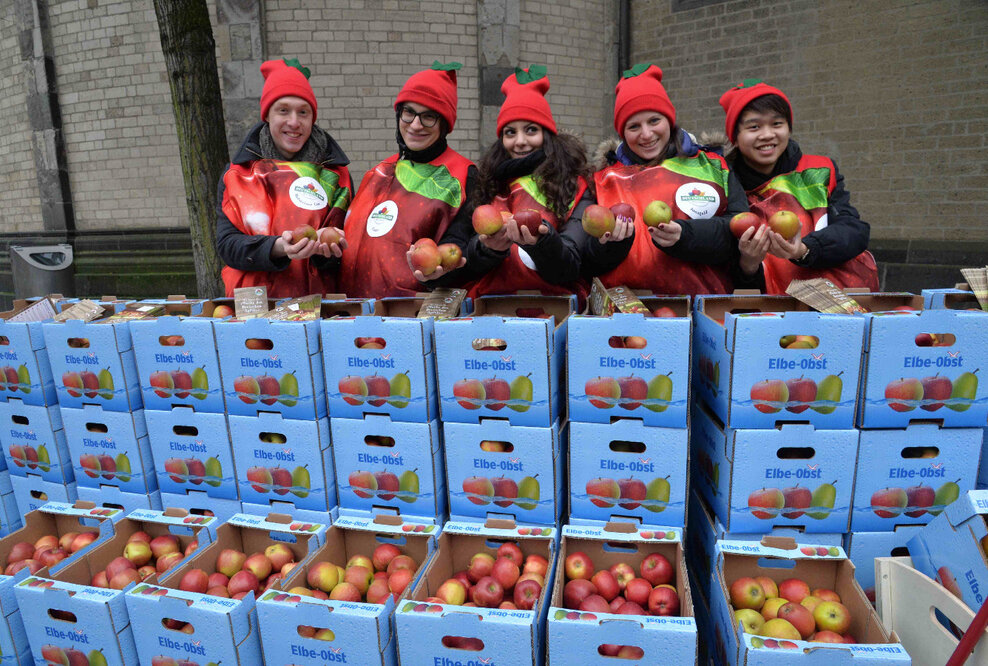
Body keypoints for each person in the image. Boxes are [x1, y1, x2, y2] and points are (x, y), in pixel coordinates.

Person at [583, 64, 759, 295]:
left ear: (669, 120)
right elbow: (587, 262)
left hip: (704, 311)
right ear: (622, 133)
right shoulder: (604, 179)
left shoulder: (714, 165)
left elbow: (740, 232)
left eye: (654, 121)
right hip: (627, 317)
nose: (646, 134)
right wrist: (611, 246)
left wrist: (685, 236)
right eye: (634, 126)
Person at [719, 79, 879, 294]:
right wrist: (748, 264)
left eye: (777, 124)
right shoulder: (722, 186)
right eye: (754, 127)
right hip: (771, 316)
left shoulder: (818, 170)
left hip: (835, 305)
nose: (767, 135)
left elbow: (853, 231)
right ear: (735, 137)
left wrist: (804, 250)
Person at [216, 58, 351, 298]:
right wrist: (278, 248)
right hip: (255, 310)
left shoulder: (336, 176)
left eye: (303, 112)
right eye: (283, 110)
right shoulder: (238, 174)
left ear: (313, 118)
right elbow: (227, 246)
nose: (294, 122)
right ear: (267, 115)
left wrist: (324, 251)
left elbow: (348, 254)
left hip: (318, 311)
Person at [338, 62, 475, 298]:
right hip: (354, 317)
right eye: (409, 112)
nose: (415, 125)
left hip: (415, 319)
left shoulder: (463, 175)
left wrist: (442, 273)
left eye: (429, 116)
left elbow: (464, 249)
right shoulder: (378, 173)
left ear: (444, 124)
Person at [463, 65, 593, 304]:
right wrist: (488, 249)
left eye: (531, 130)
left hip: (554, 307)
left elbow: (571, 265)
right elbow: (469, 262)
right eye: (510, 132)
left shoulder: (573, 184)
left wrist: (542, 243)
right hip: (493, 307)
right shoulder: (490, 182)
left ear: (547, 134)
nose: (520, 142)